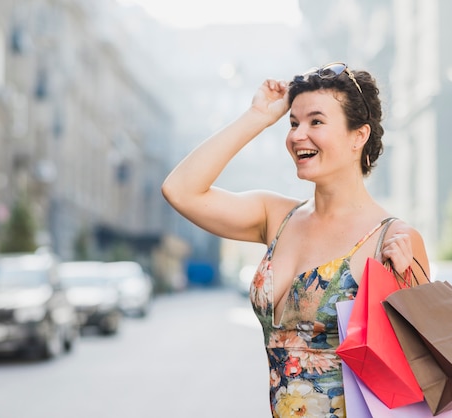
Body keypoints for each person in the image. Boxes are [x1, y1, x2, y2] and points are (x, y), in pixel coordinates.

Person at [161, 62, 430, 418]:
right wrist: (257, 116)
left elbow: (423, 370)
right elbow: (180, 190)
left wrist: (405, 284)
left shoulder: (391, 239)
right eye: (293, 123)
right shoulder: (276, 216)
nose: (297, 135)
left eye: (316, 122)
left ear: (358, 136)